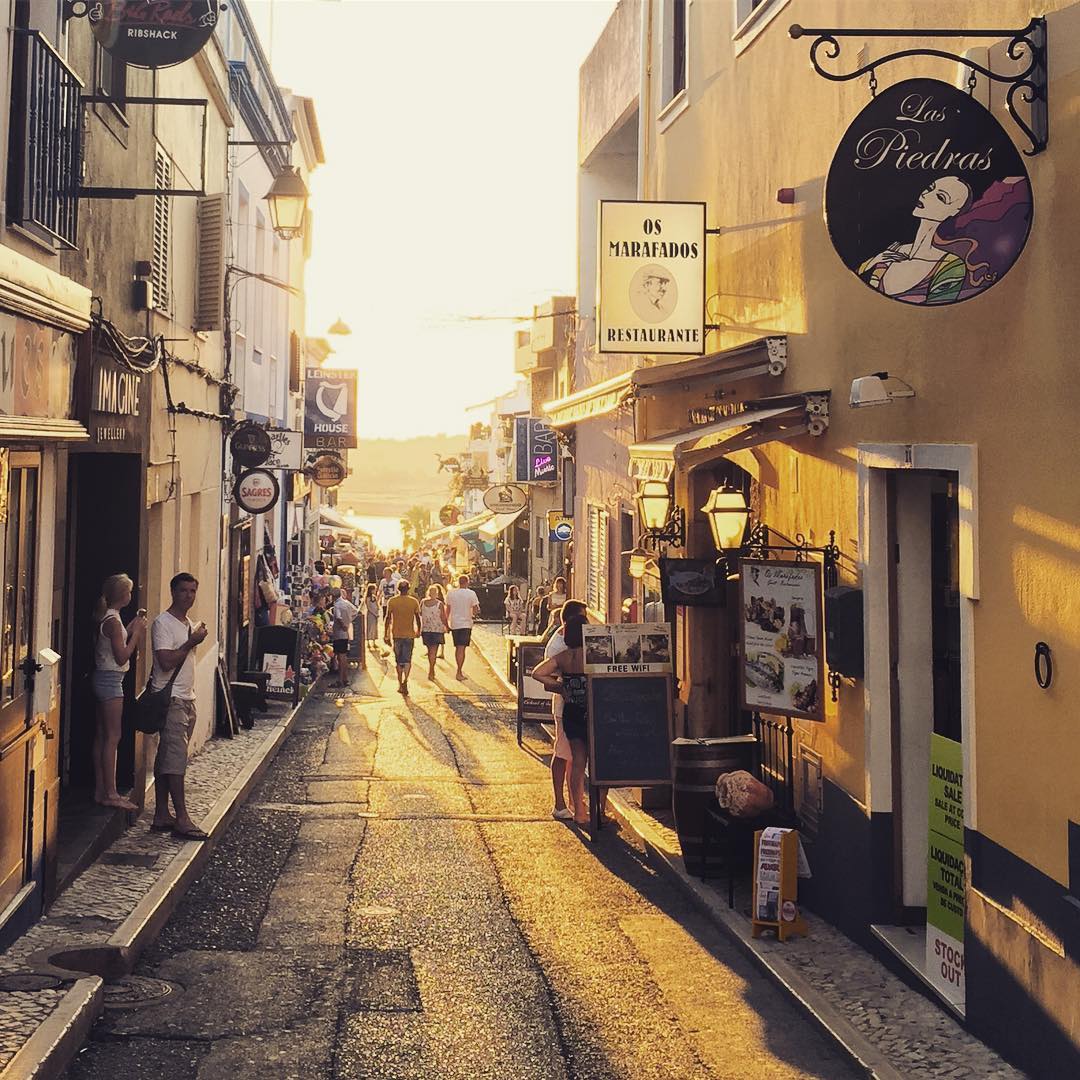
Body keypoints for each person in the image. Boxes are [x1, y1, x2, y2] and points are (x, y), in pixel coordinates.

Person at [150, 573, 209, 840]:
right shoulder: (163, 624)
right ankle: (182, 818)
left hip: (187, 698)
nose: (189, 595)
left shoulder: (187, 623)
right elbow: (165, 661)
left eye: (193, 591)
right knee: (176, 761)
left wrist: (194, 637)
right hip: (172, 698)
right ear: (173, 592)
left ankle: (162, 813)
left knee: (168, 758)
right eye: (184, 590)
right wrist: (191, 642)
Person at [91, 573, 146, 811]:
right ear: (123, 595)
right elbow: (121, 655)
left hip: (103, 678)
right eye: (129, 591)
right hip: (111, 680)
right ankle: (111, 793)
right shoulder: (113, 622)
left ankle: (100, 790)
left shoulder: (111, 617)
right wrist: (137, 635)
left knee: (102, 736)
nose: (131, 595)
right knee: (113, 737)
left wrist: (133, 624)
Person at [531, 612, 591, 825]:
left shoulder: (564, 657)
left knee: (577, 761)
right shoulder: (593, 654)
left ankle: (580, 812)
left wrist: (560, 685)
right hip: (593, 710)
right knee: (597, 763)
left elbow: (538, 673)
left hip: (572, 711)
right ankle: (595, 809)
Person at [384, 580, 422, 695]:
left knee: (398, 660)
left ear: (398, 589)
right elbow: (418, 618)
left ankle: (400, 683)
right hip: (409, 634)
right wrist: (418, 630)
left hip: (396, 634)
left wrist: (386, 634)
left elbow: (388, 618)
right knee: (407, 660)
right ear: (408, 589)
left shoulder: (392, 601)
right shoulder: (414, 602)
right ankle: (406, 680)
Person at [445, 574, 481, 681]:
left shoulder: (451, 593)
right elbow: (475, 608)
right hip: (466, 623)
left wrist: (446, 623)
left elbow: (448, 609)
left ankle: (458, 669)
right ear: (467, 582)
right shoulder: (471, 593)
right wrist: (474, 614)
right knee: (462, 648)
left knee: (458, 647)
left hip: (455, 623)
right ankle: (459, 671)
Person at [419, 584, 449, 680]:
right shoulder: (439, 604)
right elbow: (443, 617)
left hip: (426, 629)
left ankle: (431, 669)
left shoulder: (423, 602)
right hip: (437, 630)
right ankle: (431, 670)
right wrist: (447, 626)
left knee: (429, 650)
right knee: (434, 651)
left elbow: (419, 613)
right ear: (436, 594)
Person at [331, 587, 359, 687]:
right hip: (346, 633)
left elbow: (338, 617)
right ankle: (344, 678)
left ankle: (341, 679)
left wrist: (343, 625)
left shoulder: (337, 605)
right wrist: (349, 620)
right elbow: (355, 611)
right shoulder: (346, 603)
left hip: (339, 633)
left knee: (341, 656)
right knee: (343, 656)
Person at [363, 583, 380, 650]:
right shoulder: (368, 598)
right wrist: (374, 613)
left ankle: (374, 641)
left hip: (375, 614)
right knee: (370, 627)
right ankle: (368, 642)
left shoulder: (374, 597)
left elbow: (376, 605)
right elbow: (369, 607)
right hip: (371, 614)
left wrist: (377, 610)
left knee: (375, 628)